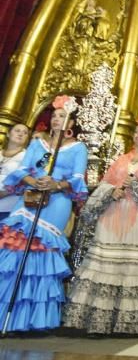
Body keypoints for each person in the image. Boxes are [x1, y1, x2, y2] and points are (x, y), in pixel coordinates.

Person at [62, 120, 138, 335]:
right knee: (103, 260)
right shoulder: (121, 160)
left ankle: (127, 322)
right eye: (137, 131)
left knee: (132, 264)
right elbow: (104, 183)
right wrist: (112, 191)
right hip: (112, 213)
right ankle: (96, 321)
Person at [0, 98, 88, 332]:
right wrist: (34, 181)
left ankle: (33, 318)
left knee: (42, 253)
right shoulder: (38, 144)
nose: (57, 119)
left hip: (57, 203)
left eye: (62, 116)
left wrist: (56, 184)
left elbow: (78, 179)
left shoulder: (78, 148)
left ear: (71, 121)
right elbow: (22, 169)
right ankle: (6, 313)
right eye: (55, 115)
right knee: (14, 248)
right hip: (29, 198)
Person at [0, 124, 30, 223]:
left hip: (7, 207)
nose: (21, 134)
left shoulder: (27, 157)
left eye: (25, 133)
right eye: (17, 131)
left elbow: (26, 182)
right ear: (8, 134)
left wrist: (4, 193)